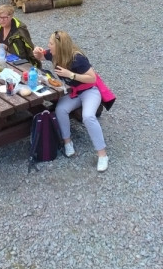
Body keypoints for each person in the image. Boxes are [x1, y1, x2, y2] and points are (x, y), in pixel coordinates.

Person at [32, 31, 114, 172]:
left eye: (51, 44)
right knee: (60, 110)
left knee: (88, 117)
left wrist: (71, 75)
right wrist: (37, 51)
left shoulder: (78, 59)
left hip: (89, 91)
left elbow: (92, 78)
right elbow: (39, 56)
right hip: (73, 92)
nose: (48, 46)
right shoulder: (54, 54)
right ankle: (67, 142)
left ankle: (102, 154)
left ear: (59, 45)